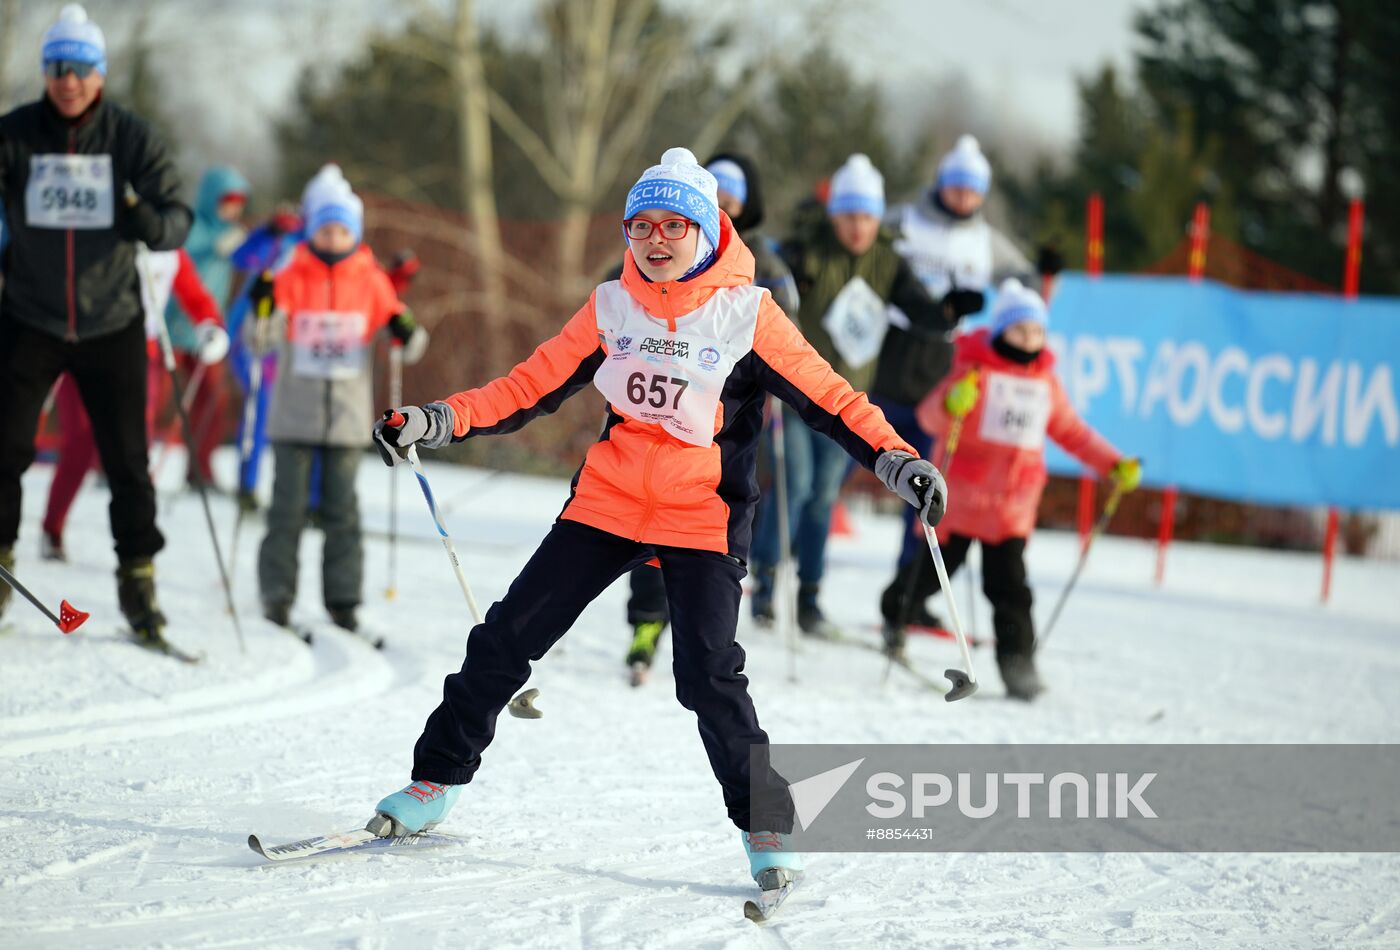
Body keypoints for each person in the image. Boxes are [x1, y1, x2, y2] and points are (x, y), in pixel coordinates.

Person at [366, 148, 948, 888]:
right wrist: (437, 418)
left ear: (706, 232)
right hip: (607, 501)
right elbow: (528, 386)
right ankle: (434, 782)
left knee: (707, 675)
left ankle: (766, 821)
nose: (656, 239)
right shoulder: (613, 303)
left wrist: (899, 461)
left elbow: (833, 400)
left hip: (700, 514)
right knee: (508, 636)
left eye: (675, 224)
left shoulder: (750, 313)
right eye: (641, 224)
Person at [0, 4, 192, 639]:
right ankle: (1, 571)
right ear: (46, 73)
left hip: (111, 322)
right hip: (30, 317)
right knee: (5, 448)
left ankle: (139, 588)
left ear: (100, 75)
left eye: (81, 69)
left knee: (127, 463)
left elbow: (176, 217)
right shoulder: (18, 133)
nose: (69, 80)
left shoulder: (129, 137)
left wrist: (148, 223)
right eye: (57, 67)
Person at [884, 279, 1141, 699]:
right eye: (1021, 330)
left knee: (1011, 592)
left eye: (1037, 331)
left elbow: (1073, 433)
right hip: (962, 501)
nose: (1029, 339)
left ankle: (1019, 668)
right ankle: (894, 620)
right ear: (1002, 330)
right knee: (928, 575)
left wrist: (1113, 464)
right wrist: (952, 402)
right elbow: (931, 418)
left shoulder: (1046, 383)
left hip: (1011, 510)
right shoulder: (975, 370)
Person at [747, 153, 954, 637]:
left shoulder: (888, 261)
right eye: (847, 216)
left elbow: (919, 307)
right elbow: (767, 278)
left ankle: (811, 596)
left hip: (847, 403)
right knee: (795, 486)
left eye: (866, 216)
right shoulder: (807, 250)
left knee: (822, 497)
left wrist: (946, 313)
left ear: (877, 217)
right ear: (833, 215)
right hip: (798, 393)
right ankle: (765, 584)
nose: (857, 227)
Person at [622, 151, 800, 684]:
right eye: (715, 192)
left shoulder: (763, 259)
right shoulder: (666, 239)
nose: (723, 202)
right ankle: (648, 622)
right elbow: (625, 285)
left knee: (728, 511)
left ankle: (710, 631)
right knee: (644, 514)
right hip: (660, 403)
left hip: (735, 408)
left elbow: (787, 319)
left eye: (732, 194)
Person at [877, 134, 1043, 632]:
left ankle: (909, 594)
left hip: (942, 363)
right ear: (942, 184)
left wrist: (1029, 296)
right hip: (891, 352)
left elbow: (1023, 279)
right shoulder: (906, 218)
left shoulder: (985, 238)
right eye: (956, 188)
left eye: (973, 192)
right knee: (846, 468)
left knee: (925, 486)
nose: (963, 199)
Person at [249, 172, 427, 634]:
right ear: (312, 231)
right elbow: (259, 340)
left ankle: (344, 600)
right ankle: (276, 594)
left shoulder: (369, 279)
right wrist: (262, 306)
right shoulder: (291, 274)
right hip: (294, 419)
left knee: (342, 512)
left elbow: (405, 337)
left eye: (342, 229)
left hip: (347, 421)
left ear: (355, 232)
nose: (333, 237)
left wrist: (406, 331)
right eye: (325, 228)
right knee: (286, 510)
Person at [41, 248, 226, 560]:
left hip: (141, 354)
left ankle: (138, 543)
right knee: (81, 441)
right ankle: (53, 527)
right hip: (84, 348)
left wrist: (209, 324)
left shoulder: (170, 249)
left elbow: (194, 295)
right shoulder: (109, 234)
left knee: (134, 447)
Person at [165, 165, 247, 489]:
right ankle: (118, 467)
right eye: (227, 199)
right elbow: (183, 253)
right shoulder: (192, 225)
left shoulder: (233, 231)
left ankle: (200, 468)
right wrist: (214, 245)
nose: (233, 207)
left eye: (239, 200)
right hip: (173, 328)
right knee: (150, 401)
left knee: (213, 402)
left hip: (208, 333)